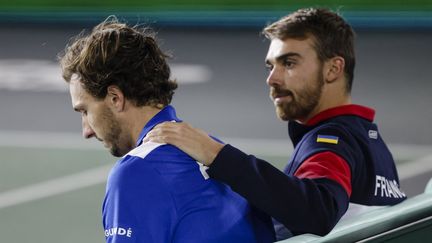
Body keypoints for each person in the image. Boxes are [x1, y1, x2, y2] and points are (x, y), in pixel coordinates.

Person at [144, 7, 407, 239]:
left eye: (289, 63)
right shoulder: (367, 138)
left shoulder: (331, 143)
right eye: (270, 66)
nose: (272, 78)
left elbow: (317, 211)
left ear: (333, 69)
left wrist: (216, 154)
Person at [58, 17, 275, 243]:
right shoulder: (216, 152)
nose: (86, 131)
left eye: (84, 111)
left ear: (115, 98)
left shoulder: (136, 173)